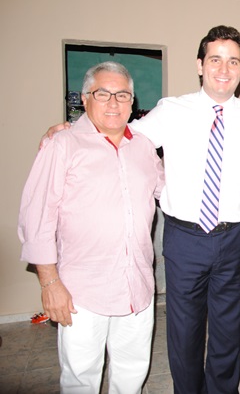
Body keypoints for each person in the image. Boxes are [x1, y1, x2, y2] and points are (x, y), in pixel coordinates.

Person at [42, 25, 240, 393]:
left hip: (233, 240)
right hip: (184, 239)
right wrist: (72, 128)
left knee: (229, 331)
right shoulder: (171, 110)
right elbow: (119, 132)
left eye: (233, 61)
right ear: (200, 65)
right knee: (184, 332)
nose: (224, 69)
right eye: (215, 59)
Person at [18, 61, 164, 392]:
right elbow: (36, 217)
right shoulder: (63, 145)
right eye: (103, 93)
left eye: (123, 94)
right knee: (81, 379)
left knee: (131, 374)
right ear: (85, 99)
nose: (114, 103)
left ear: (132, 101)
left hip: (136, 289)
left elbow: (169, 191)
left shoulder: (143, 146)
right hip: (81, 294)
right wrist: (49, 283)